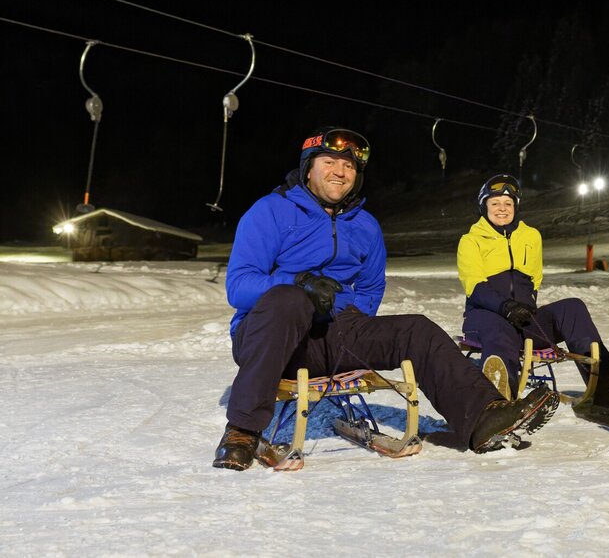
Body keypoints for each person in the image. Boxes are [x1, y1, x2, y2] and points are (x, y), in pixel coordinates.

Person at [212, 127, 559, 470]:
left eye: (349, 165)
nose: (340, 171)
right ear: (308, 167)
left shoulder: (365, 225)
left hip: (332, 336)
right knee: (289, 301)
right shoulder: (271, 211)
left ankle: (484, 416)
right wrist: (299, 284)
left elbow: (370, 289)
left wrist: (348, 314)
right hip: (269, 337)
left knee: (416, 330)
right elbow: (239, 285)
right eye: (329, 162)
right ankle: (242, 430)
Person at [456, 174, 609, 421]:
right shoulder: (470, 241)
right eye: (495, 203)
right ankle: (499, 406)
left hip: (523, 319)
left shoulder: (531, 236)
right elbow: (474, 285)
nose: (502, 209)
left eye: (508, 203)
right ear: (484, 206)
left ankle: (602, 389)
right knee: (499, 332)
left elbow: (535, 280)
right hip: (484, 317)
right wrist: (506, 306)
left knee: (572, 308)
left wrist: (525, 308)